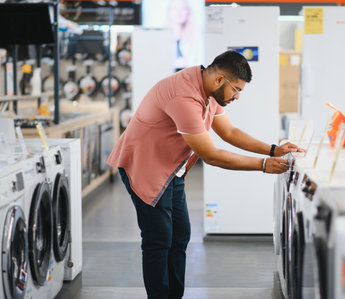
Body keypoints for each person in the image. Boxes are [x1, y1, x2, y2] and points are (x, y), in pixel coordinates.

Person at [107, 50, 302, 299]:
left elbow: (229, 132)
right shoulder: (184, 96)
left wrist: (273, 149)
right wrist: (263, 164)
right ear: (220, 80)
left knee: (180, 235)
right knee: (159, 240)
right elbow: (211, 155)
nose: (237, 96)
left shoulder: (209, 91)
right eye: (237, 89)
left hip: (171, 169)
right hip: (145, 167)